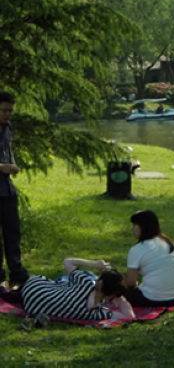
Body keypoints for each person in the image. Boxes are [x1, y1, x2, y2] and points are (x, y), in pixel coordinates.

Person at [0, 258, 134, 322]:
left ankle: (9, 290)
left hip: (35, 287)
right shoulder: (96, 314)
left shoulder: (86, 282)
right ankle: (10, 292)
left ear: (99, 281)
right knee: (61, 288)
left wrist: (94, 264)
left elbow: (67, 262)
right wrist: (119, 296)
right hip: (32, 306)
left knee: (60, 283)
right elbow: (129, 316)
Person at [124, 210, 174, 307]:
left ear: (143, 227)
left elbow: (131, 283)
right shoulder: (169, 243)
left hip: (152, 299)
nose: (132, 229)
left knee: (118, 290)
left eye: (134, 225)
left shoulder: (137, 249)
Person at [0, 91, 28, 288]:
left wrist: (13, 165)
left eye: (10, 111)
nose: (8, 114)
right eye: (4, 110)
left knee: (13, 233)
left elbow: (8, 153)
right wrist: (2, 167)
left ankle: (17, 275)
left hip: (7, 191)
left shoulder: (8, 128)